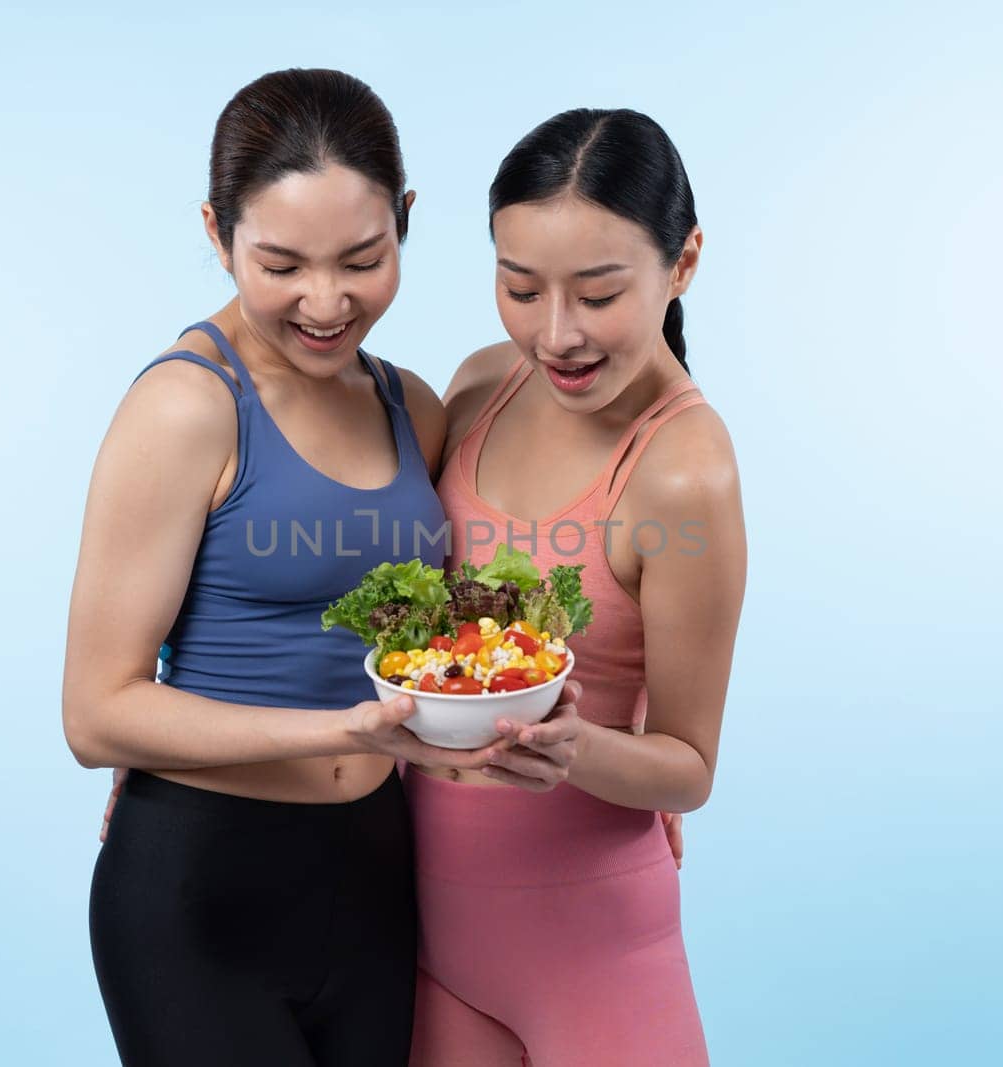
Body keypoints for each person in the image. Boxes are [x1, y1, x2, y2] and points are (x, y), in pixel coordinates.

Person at [61, 68, 573, 1067]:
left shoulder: (409, 406)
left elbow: (472, 611)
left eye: (363, 258)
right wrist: (339, 725)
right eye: (281, 263)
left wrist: (616, 751)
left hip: (377, 875)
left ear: (406, 224)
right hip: (203, 887)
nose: (327, 302)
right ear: (217, 233)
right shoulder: (188, 407)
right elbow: (95, 713)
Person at [406, 109, 747, 1066]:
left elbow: (689, 766)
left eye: (598, 295)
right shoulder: (481, 387)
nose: (554, 335)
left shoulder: (683, 471)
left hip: (594, 953)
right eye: (521, 288)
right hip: (427, 939)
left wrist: (577, 749)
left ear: (682, 265)